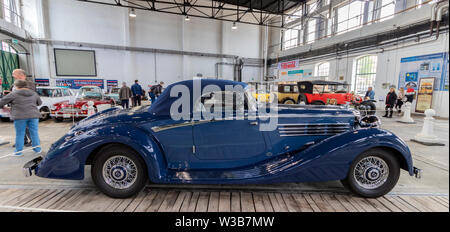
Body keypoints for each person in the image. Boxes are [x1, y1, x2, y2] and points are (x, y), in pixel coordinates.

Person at [0, 80, 42, 156]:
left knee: (20, 134)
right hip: (33, 116)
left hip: (20, 117)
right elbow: (40, 103)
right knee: (34, 133)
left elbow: (1, 103)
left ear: (16, 86)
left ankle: (18, 152)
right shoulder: (34, 93)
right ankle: (37, 149)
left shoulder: (13, 94)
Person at [12, 69, 36, 147]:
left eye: (14, 74)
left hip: (26, 108)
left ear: (21, 75)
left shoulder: (30, 84)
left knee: (27, 126)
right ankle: (22, 141)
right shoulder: (15, 83)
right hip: (17, 108)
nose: (13, 76)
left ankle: (34, 141)